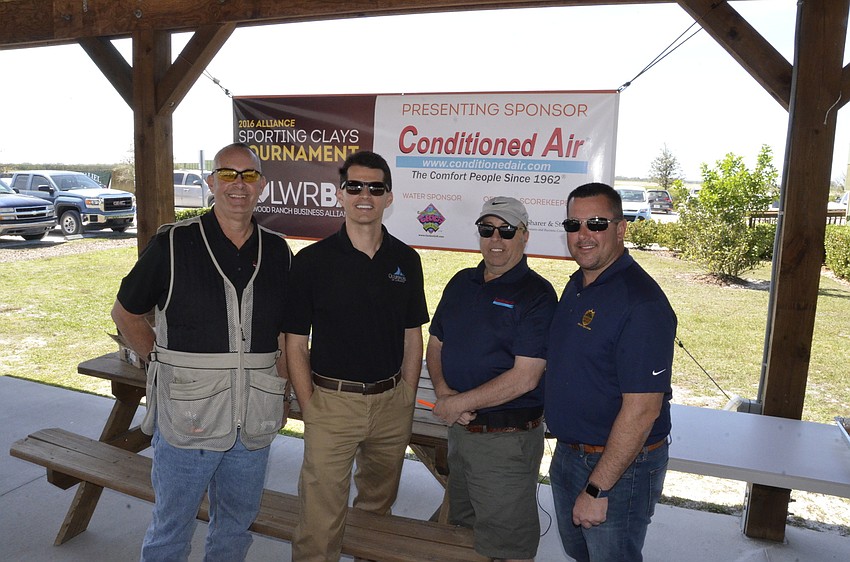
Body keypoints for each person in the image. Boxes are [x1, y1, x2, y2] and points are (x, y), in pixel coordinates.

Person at [111, 142, 292, 561]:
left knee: (235, 528)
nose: (239, 186)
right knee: (172, 529)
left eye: (249, 176)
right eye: (228, 175)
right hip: (188, 419)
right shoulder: (173, 244)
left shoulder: (278, 250)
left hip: (255, 420)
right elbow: (127, 315)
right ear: (211, 183)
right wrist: (162, 365)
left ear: (262, 185)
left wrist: (282, 392)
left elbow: (284, 334)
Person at [284, 150, 429, 562]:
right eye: (355, 186)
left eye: (375, 187)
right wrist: (309, 404)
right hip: (331, 404)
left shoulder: (406, 260)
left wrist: (405, 396)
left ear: (389, 197)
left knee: (377, 512)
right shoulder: (312, 261)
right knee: (319, 519)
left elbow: (412, 334)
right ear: (340, 194)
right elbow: (294, 341)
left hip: (391, 405)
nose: (365, 195)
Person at [545, 182, 677, 562]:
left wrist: (598, 489)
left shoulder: (641, 303)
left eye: (597, 224)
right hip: (571, 454)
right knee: (581, 555)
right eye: (574, 225)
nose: (584, 235)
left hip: (618, 468)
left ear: (621, 229)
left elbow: (643, 410)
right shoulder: (579, 284)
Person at [427, 196, 557, 562]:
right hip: (460, 433)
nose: (495, 239)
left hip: (506, 443)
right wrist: (444, 392)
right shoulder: (461, 282)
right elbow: (435, 344)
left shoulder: (538, 294)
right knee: (462, 531)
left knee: (509, 543)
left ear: (525, 236)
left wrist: (458, 403)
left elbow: (525, 378)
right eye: (487, 229)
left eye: (506, 230)